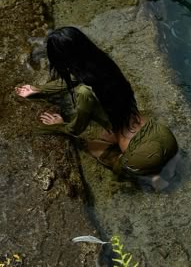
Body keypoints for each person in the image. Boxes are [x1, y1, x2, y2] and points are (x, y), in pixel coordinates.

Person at [15, 27, 179, 189]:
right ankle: (171, 163)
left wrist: (59, 123)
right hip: (164, 135)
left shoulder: (84, 93)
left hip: (143, 157)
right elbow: (72, 79)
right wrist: (40, 89)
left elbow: (76, 129)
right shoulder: (103, 63)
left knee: (94, 147)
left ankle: (152, 177)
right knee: (114, 133)